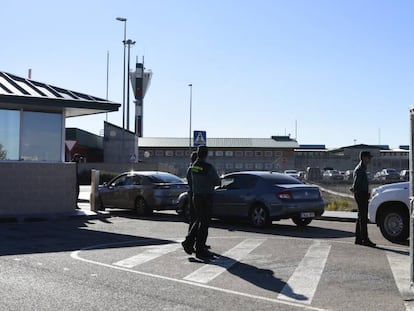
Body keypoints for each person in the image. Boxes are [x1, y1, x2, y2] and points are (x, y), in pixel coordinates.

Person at [182, 145, 221, 260]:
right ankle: (200, 250)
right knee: (204, 224)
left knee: (199, 220)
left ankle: (189, 242)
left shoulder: (193, 166)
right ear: (206, 154)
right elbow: (217, 181)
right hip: (206, 198)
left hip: (196, 197)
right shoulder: (207, 167)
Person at [350, 151, 376, 247]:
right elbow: (356, 184)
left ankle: (358, 239)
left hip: (362, 194)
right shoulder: (360, 169)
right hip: (361, 195)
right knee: (363, 218)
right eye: (369, 158)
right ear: (364, 158)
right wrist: (362, 193)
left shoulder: (362, 168)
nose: (370, 159)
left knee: (360, 217)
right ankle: (365, 239)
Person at [186, 151, 198, 231]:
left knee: (193, 218)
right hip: (195, 193)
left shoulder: (190, 168)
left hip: (191, 193)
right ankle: (190, 238)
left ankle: (190, 237)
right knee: (195, 217)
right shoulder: (194, 168)